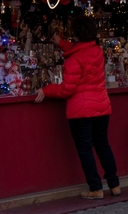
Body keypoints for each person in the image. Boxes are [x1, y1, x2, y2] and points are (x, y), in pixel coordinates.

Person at [35, 15, 119, 200]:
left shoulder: (73, 60)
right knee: (103, 145)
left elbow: (67, 89)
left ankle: (96, 188)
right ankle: (114, 184)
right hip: (102, 107)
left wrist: (46, 89)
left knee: (85, 149)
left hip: (81, 111)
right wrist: (61, 43)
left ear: (77, 34)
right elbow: (81, 51)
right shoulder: (96, 51)